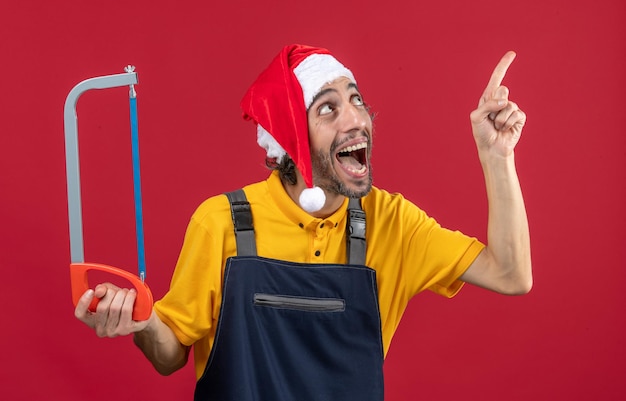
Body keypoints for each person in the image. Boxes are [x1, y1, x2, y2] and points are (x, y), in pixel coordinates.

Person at [75, 44, 532, 400]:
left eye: (356, 100)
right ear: (290, 138)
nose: (357, 119)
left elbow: (511, 275)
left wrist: (497, 157)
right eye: (328, 108)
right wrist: (143, 321)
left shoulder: (391, 222)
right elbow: (169, 352)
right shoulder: (222, 222)